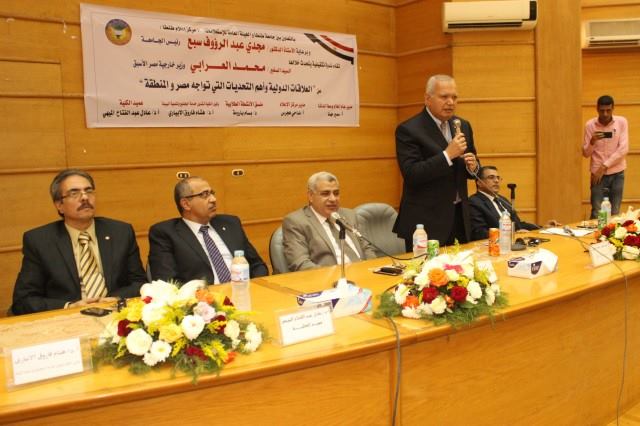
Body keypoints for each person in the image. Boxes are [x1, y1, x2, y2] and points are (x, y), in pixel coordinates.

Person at [11, 169, 147, 315]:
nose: (85, 197)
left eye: (89, 191)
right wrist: (69, 307)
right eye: (74, 193)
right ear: (59, 205)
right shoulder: (40, 241)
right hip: (67, 320)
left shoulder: (120, 232)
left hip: (115, 316)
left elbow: (140, 284)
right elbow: (24, 300)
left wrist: (116, 298)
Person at [393, 74, 479, 249]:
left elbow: (472, 165)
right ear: (427, 99)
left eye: (454, 97)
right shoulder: (409, 129)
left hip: (459, 218)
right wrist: (447, 155)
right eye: (444, 97)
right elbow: (412, 174)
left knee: (462, 265)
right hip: (426, 222)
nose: (450, 102)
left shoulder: (463, 125)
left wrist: (474, 167)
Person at [148, 176, 268, 283]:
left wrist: (253, 288)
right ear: (186, 204)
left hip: (243, 291)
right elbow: (168, 282)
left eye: (212, 193)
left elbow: (257, 265)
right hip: (202, 298)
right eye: (204, 195)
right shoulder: (165, 233)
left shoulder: (231, 223)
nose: (213, 199)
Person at [282, 171, 377, 271]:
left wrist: (372, 269)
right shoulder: (296, 222)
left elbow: (367, 249)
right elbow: (301, 264)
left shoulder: (349, 215)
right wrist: (337, 276)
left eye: (336, 193)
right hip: (329, 278)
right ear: (310, 196)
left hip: (365, 274)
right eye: (325, 194)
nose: (333, 199)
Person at [582, 95, 629, 218]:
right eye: (602, 110)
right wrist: (592, 141)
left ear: (613, 108)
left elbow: (623, 149)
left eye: (608, 110)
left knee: (615, 212)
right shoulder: (590, 125)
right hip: (597, 175)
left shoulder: (621, 122)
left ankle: (611, 231)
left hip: (617, 173)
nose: (605, 114)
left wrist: (604, 166)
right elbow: (586, 154)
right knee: (597, 211)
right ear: (597, 109)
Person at [469, 166, 541, 241]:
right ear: (479, 182)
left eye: (498, 178)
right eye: (491, 177)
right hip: (491, 244)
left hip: (512, 242)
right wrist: (510, 233)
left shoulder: (502, 199)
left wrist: (541, 228)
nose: (496, 181)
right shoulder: (474, 202)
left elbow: (517, 225)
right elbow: (479, 232)